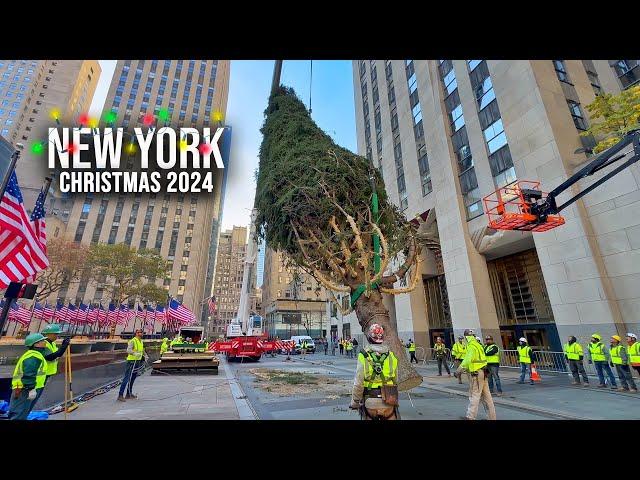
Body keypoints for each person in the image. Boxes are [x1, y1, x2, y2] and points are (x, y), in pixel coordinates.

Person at [349, 323, 399, 420]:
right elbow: (396, 380)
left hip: (370, 401)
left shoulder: (363, 355)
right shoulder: (391, 355)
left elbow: (359, 382)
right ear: (382, 337)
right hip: (389, 400)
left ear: (369, 337)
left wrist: (355, 401)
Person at [456, 329, 496, 421]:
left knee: (474, 395)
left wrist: (459, 370)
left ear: (466, 337)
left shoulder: (471, 346)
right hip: (483, 372)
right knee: (487, 397)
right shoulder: (478, 344)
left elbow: (467, 360)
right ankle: (492, 418)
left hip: (477, 374)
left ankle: (470, 417)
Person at [8, 333, 49, 420]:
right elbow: (29, 374)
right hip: (24, 390)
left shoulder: (35, 354)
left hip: (25, 389)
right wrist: (31, 388)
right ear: (36, 344)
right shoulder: (33, 356)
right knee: (19, 414)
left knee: (22, 413)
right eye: (42, 341)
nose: (45, 342)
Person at [32, 323, 71, 408]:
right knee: (35, 395)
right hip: (41, 375)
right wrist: (64, 346)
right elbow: (51, 357)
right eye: (56, 334)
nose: (57, 336)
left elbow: (57, 354)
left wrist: (63, 346)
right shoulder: (44, 344)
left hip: (47, 373)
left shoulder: (52, 343)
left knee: (37, 395)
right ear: (49, 334)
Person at [118, 329, 145, 401]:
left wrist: (145, 356)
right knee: (126, 378)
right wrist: (134, 353)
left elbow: (142, 350)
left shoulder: (141, 341)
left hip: (137, 361)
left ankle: (128, 394)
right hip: (131, 361)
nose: (141, 333)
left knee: (133, 378)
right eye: (139, 332)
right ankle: (120, 395)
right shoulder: (132, 341)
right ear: (136, 333)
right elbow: (128, 350)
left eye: (141, 332)